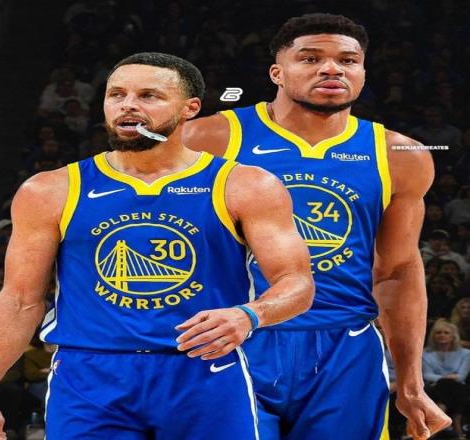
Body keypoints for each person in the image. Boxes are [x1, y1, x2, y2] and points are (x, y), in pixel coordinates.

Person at [0, 52, 315, 440]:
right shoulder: (50, 190)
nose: (128, 105)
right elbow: (19, 301)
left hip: (204, 371)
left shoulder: (246, 185)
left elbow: (297, 283)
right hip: (90, 379)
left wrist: (249, 315)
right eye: (116, 94)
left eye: (149, 96)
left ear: (190, 109)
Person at [183, 13, 451, 440]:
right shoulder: (207, 140)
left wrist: (411, 383)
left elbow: (397, 271)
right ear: (277, 72)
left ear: (362, 72)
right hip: (234, 338)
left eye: (347, 61)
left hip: (346, 350)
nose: (331, 69)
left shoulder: (400, 155)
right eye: (310, 59)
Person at [422, 319, 470, 439]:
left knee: (448, 385)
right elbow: (427, 375)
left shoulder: (466, 353)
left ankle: (439, 416)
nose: (442, 335)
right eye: (438, 332)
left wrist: (442, 378)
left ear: (453, 336)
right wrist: (448, 377)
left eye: (446, 333)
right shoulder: (426, 354)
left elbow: (461, 376)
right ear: (433, 336)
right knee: (445, 384)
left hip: (459, 387)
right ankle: (457, 426)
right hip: (435, 387)